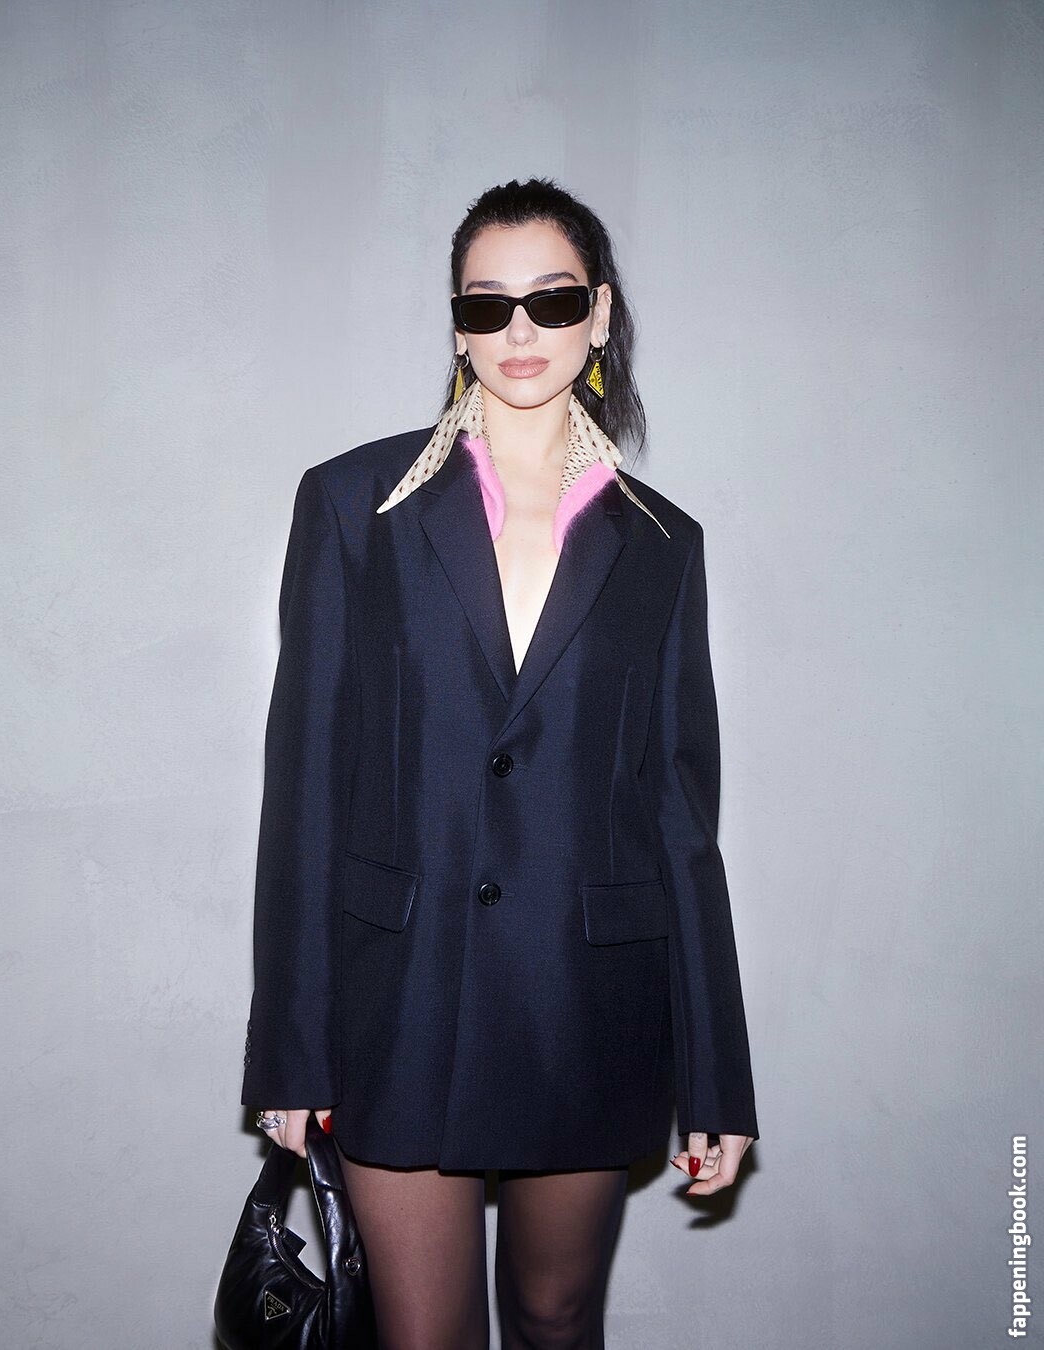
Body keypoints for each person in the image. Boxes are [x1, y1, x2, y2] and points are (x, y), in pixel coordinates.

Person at [240, 177, 759, 1350]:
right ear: (458, 325)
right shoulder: (354, 505)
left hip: (585, 1001)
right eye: (487, 306)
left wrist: (717, 1077)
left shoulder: (662, 545)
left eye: (553, 300)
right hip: (397, 999)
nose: (519, 331)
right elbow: (306, 787)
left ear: (600, 314)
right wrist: (291, 1048)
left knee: (556, 1317)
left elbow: (681, 819)